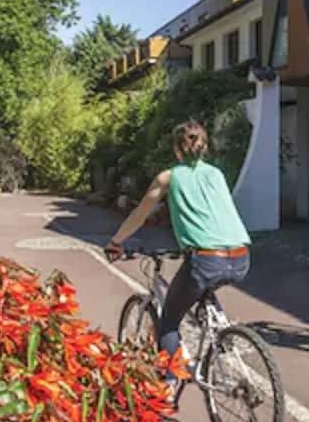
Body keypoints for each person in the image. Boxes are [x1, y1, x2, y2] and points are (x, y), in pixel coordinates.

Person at [104, 121, 251, 392]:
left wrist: (116, 242)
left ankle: (169, 385)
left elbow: (139, 214)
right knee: (203, 286)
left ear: (176, 149)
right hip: (241, 255)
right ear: (204, 146)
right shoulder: (216, 174)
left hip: (206, 259)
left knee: (169, 320)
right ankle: (222, 332)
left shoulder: (168, 178)